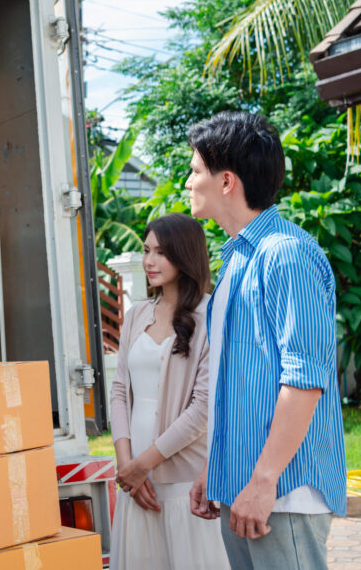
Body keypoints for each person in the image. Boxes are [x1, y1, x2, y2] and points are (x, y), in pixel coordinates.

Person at [186, 112, 346, 569]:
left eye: (196, 170)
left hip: (281, 491)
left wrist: (264, 479)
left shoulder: (286, 255)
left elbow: (305, 379)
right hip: (245, 486)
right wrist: (213, 468)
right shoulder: (239, 258)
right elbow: (236, 384)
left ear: (227, 181)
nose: (188, 181)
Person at [109, 213, 230, 570]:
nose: (149, 261)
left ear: (185, 254)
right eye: (146, 250)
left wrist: (144, 464)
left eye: (160, 252)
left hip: (183, 478)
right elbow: (119, 392)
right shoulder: (136, 314)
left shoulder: (211, 314)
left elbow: (204, 408)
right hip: (136, 481)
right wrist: (126, 466)